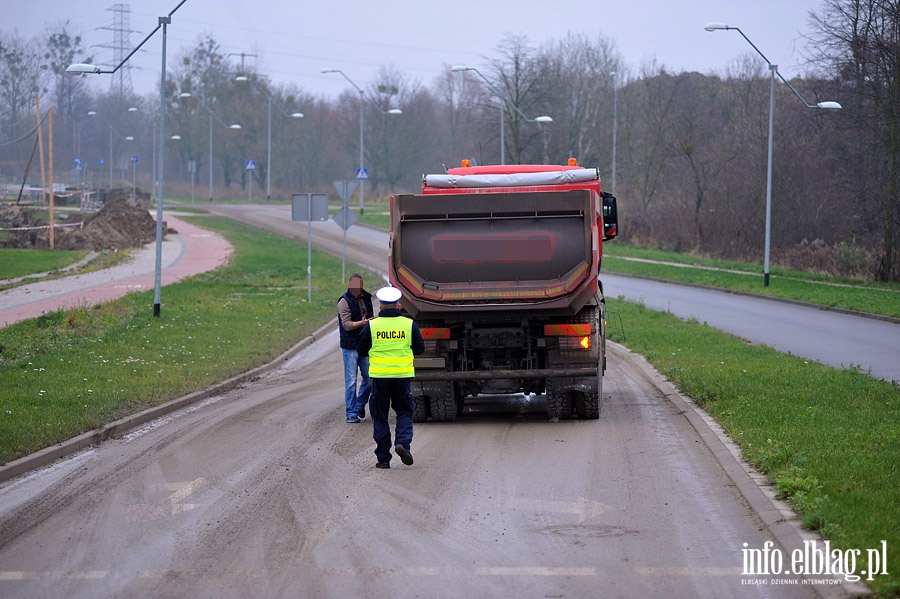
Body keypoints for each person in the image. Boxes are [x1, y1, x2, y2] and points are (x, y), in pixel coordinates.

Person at [357, 285, 425, 469]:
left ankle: (383, 459)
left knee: (379, 416)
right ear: (398, 305)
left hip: (379, 377)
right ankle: (402, 443)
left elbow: (361, 349)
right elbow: (420, 349)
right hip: (402, 377)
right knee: (404, 411)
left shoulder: (373, 325)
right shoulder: (408, 324)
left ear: (380, 306)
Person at [337, 273, 373, 423]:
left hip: (365, 345)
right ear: (349, 284)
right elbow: (346, 325)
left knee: (370, 378)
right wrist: (362, 323)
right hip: (350, 346)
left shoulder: (367, 297)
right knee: (351, 381)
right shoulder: (344, 301)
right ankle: (351, 413)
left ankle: (359, 404)